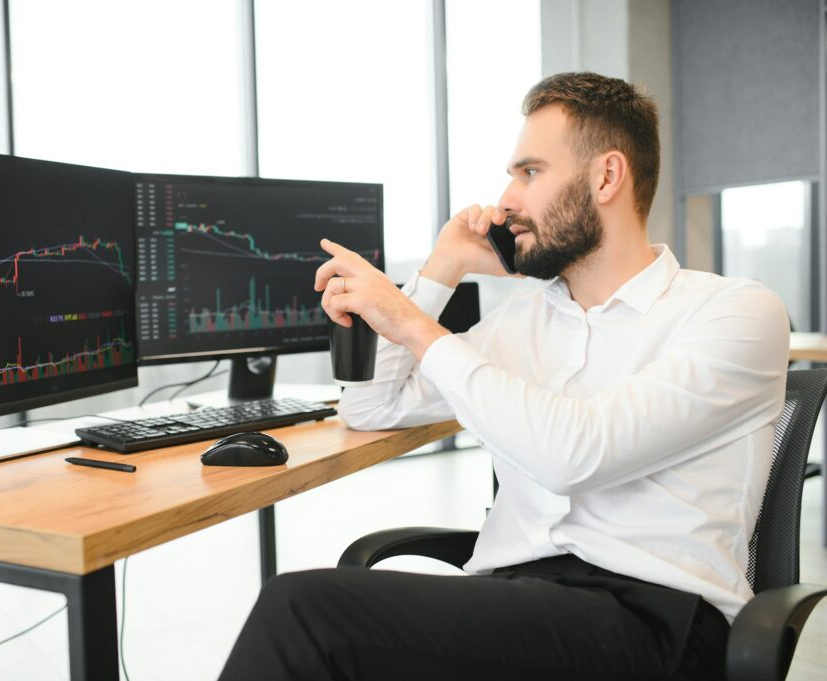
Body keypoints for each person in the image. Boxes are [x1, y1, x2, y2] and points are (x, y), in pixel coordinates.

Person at [217, 72, 790, 681]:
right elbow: (373, 407)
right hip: (517, 600)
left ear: (606, 177)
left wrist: (411, 323)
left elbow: (577, 453)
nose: (506, 200)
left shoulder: (735, 311)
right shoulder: (524, 325)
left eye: (530, 172)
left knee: (306, 613)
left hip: (654, 619)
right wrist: (444, 267)